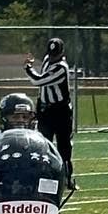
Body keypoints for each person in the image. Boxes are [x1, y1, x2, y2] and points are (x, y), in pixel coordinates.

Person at [26, 38, 75, 183]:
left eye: (56, 54)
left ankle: (66, 177)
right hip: (45, 110)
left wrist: (28, 68)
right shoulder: (48, 60)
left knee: (64, 145)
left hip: (61, 111)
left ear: (62, 53)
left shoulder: (61, 67)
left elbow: (38, 80)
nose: (53, 57)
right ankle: (43, 173)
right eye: (51, 54)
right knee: (42, 143)